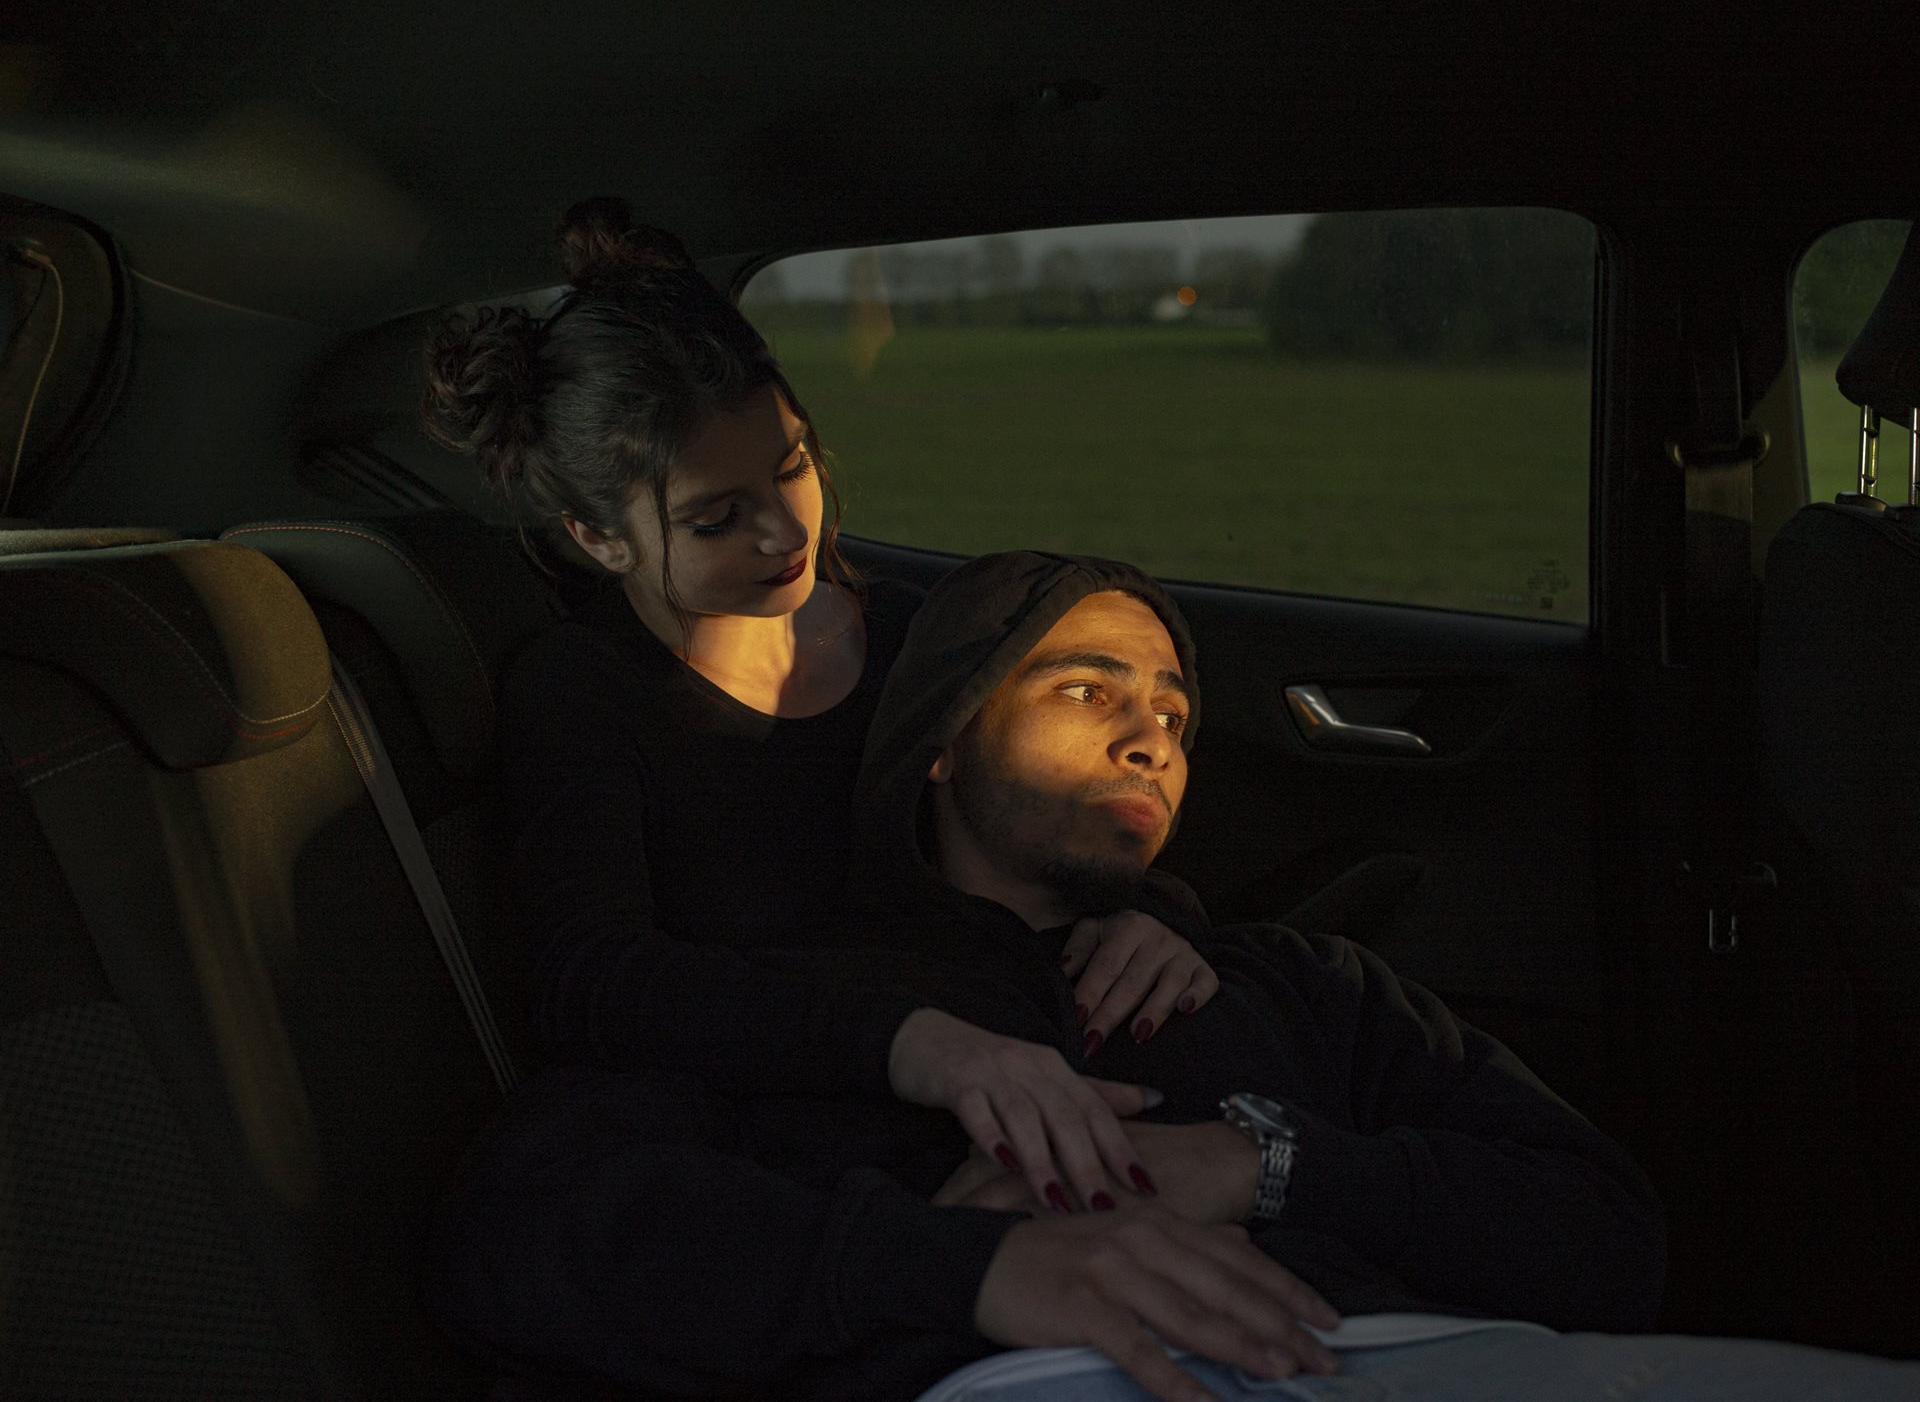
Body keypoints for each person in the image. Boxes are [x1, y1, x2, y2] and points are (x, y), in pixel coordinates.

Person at [428, 550, 1920, 1402]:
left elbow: (1611, 1241)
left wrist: (1261, 1166)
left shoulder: (1295, 986)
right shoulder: (811, 998)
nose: (1152, 737)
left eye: (1174, 713)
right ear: (941, 739)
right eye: (1088, 691)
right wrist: (976, 1269)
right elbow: (529, 1224)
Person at [421, 201, 1222, 1221]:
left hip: (1009, 1096)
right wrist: (906, 1040)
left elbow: (1049, 815)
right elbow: (594, 977)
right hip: (786, 1148)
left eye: (793, 466)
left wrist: (1149, 918)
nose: (783, 530)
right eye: (716, 516)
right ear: (598, 537)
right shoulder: (581, 693)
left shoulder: (914, 635)